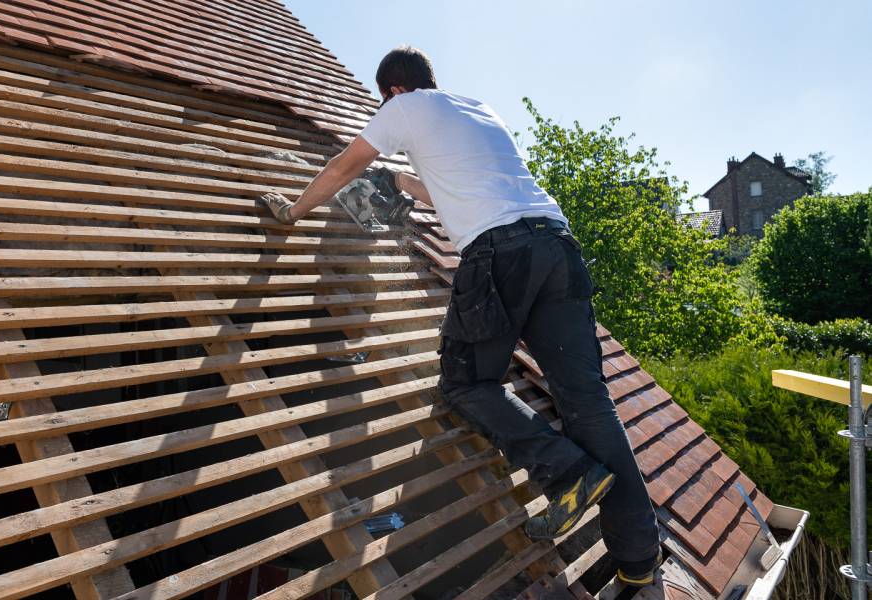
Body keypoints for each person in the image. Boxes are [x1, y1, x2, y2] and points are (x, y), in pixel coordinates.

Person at [263, 46, 662, 586]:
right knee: (589, 405)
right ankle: (639, 560)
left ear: (393, 91)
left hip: (501, 254)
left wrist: (292, 210)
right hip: (557, 246)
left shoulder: (403, 107)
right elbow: (461, 189)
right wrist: (402, 182)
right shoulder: (476, 109)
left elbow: (345, 164)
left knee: (465, 384)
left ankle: (569, 473)